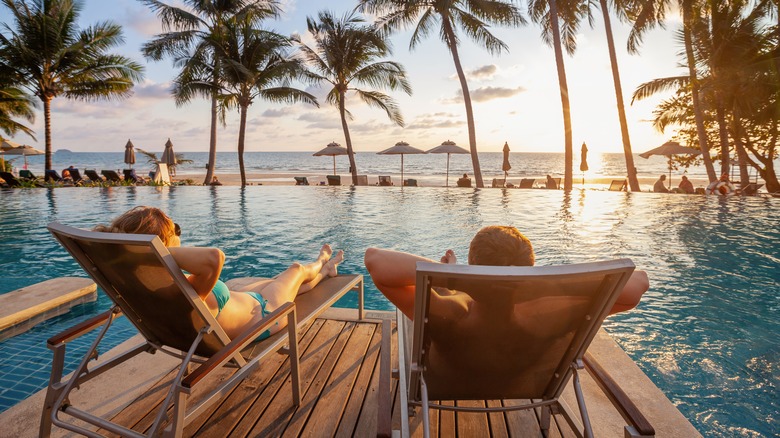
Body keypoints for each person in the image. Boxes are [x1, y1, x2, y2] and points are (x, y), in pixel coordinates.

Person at [94, 206, 344, 340]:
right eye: (175, 231)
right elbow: (215, 257)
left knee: (292, 284)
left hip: (248, 304)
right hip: (266, 315)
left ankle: (326, 270)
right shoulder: (182, 288)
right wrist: (154, 251)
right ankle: (322, 259)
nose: (179, 235)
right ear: (163, 244)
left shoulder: (142, 284)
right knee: (296, 270)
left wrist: (138, 254)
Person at [364, 225, 649, 321]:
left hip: (451, 376)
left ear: (472, 268)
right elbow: (638, 283)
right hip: (530, 384)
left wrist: (459, 276)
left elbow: (376, 260)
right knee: (456, 295)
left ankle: (455, 283)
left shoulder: (451, 314)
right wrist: (536, 283)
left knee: (451, 296)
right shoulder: (554, 313)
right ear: (532, 266)